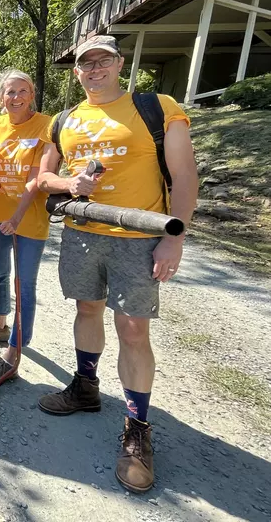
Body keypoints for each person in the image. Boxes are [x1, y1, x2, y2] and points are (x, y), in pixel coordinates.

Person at [36, 35, 197, 493]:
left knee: (132, 328)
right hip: (83, 234)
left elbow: (185, 175)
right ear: (77, 72)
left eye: (103, 60)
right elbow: (44, 177)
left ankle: (137, 427)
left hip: (139, 240)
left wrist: (175, 237)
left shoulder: (156, 108)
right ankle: (86, 388)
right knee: (86, 311)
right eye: (87, 63)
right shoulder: (65, 121)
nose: (95, 69)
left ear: (119, 63)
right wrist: (71, 184)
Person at [0, 70, 51, 385]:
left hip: (28, 219)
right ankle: (0, 326)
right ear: (1, 98)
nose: (15, 98)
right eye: (9, 92)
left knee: (24, 284)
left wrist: (16, 217)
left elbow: (36, 177)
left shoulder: (45, 125)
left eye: (21, 92)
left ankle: (16, 348)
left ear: (31, 95)